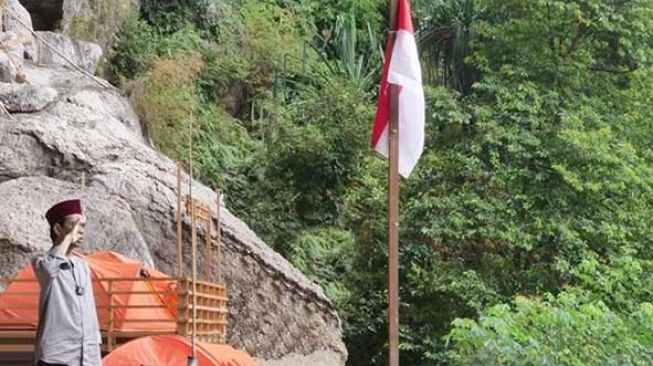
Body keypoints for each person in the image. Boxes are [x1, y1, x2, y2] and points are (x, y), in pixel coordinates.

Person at [32, 199, 102, 366]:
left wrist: (95, 354)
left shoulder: (83, 265)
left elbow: (89, 312)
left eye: (83, 226)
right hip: (56, 356)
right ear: (57, 229)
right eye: (75, 225)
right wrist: (68, 237)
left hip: (87, 356)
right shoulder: (41, 261)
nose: (80, 232)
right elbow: (49, 270)